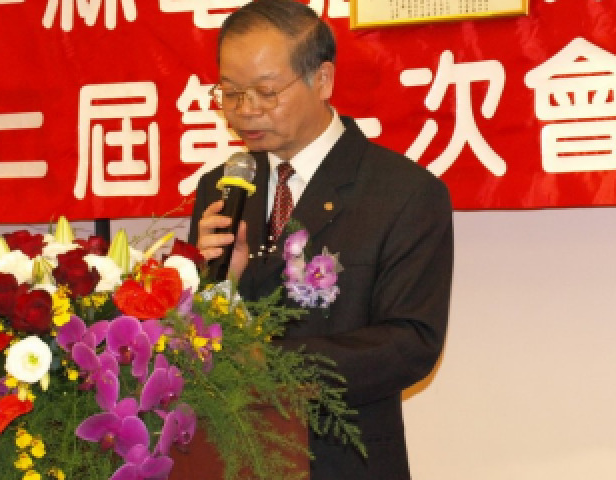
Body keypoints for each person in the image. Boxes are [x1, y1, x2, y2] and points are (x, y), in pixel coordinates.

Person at [187, 0, 453, 478]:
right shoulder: (222, 188)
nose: (245, 111)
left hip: (344, 460)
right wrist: (216, 285)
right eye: (230, 93)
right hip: (232, 457)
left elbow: (411, 342)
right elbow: (200, 335)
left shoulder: (403, 193)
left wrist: (268, 363)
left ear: (323, 79)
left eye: (266, 92)